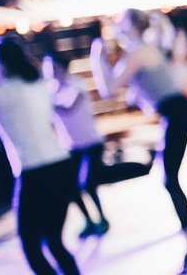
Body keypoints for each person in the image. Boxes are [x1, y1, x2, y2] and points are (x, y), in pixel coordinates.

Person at [90, 9, 187, 263]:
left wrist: (97, 55)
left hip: (178, 111)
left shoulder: (139, 51)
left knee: (171, 178)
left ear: (133, 26)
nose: (116, 28)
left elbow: (108, 89)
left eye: (121, 23)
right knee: (172, 176)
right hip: (176, 112)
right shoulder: (141, 51)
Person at [0, 37, 80, 275]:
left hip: (34, 172)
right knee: (55, 240)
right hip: (61, 166)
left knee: (31, 245)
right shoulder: (40, 86)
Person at [43, 52, 111, 238]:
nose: (50, 71)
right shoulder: (48, 90)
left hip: (91, 142)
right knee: (71, 188)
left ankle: (103, 218)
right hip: (70, 147)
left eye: (53, 66)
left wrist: (43, 104)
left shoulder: (77, 84)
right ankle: (89, 221)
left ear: (63, 67)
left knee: (87, 184)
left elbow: (69, 107)